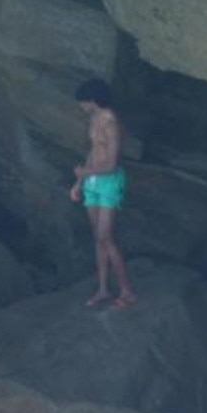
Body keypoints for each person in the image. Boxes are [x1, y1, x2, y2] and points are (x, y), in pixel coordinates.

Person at [70, 78, 135, 308]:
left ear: (92, 100)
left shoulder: (111, 123)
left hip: (108, 183)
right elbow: (93, 150)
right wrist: (79, 181)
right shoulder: (93, 118)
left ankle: (126, 291)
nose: (81, 106)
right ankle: (103, 290)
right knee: (98, 239)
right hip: (92, 182)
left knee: (106, 238)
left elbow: (111, 163)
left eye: (83, 102)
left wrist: (85, 171)